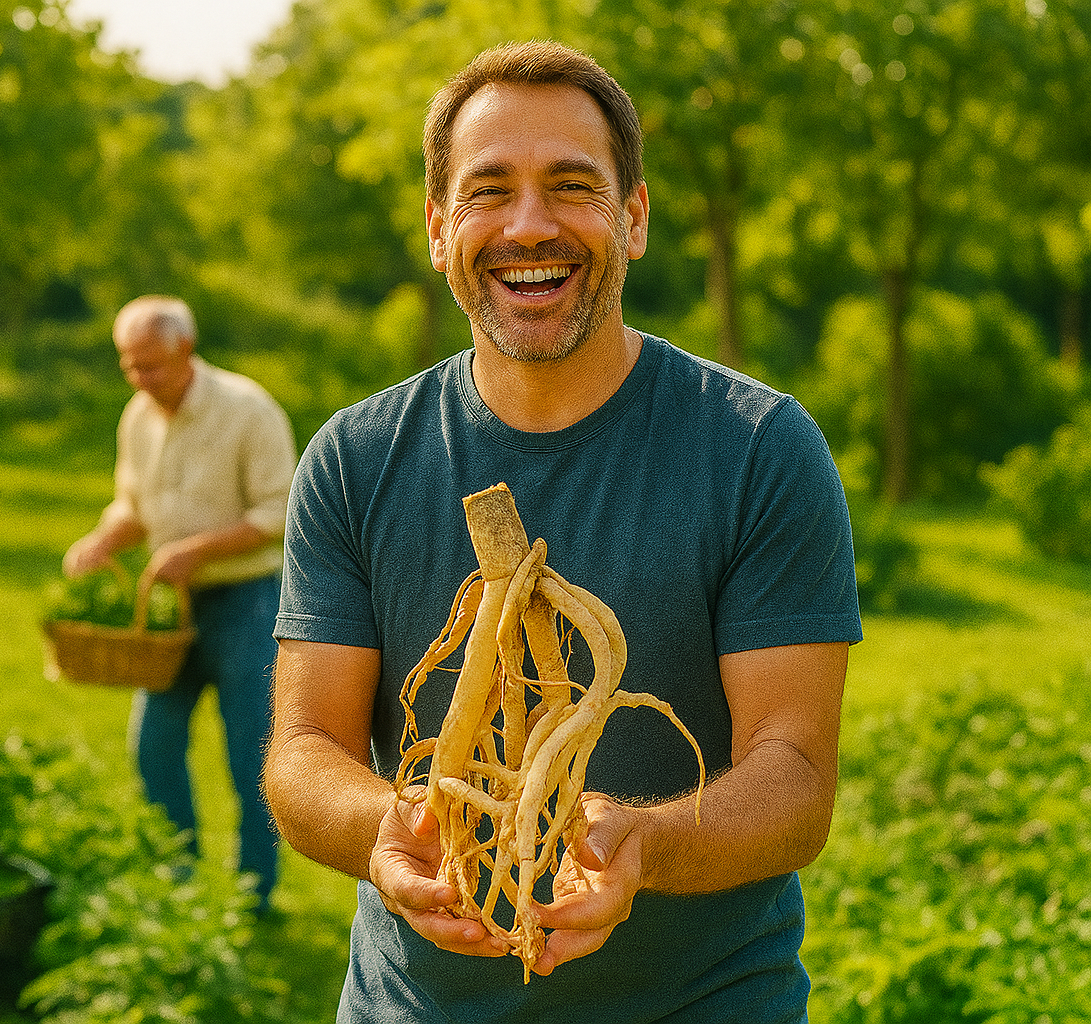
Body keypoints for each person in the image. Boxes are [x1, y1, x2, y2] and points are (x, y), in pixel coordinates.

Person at [263, 41, 862, 1023]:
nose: (529, 226)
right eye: (489, 190)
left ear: (632, 218)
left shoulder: (759, 448)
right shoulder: (356, 458)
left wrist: (646, 845)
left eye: (572, 187)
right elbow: (304, 748)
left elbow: (794, 778)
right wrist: (389, 825)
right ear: (438, 228)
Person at [64, 294, 298, 912]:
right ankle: (177, 881)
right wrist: (104, 538)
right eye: (129, 366)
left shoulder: (248, 410)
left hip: (247, 601)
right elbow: (133, 505)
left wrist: (197, 550)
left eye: (152, 366)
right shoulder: (137, 417)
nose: (140, 379)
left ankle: (254, 894)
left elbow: (278, 514)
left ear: (187, 351)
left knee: (250, 750)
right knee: (154, 746)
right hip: (170, 607)